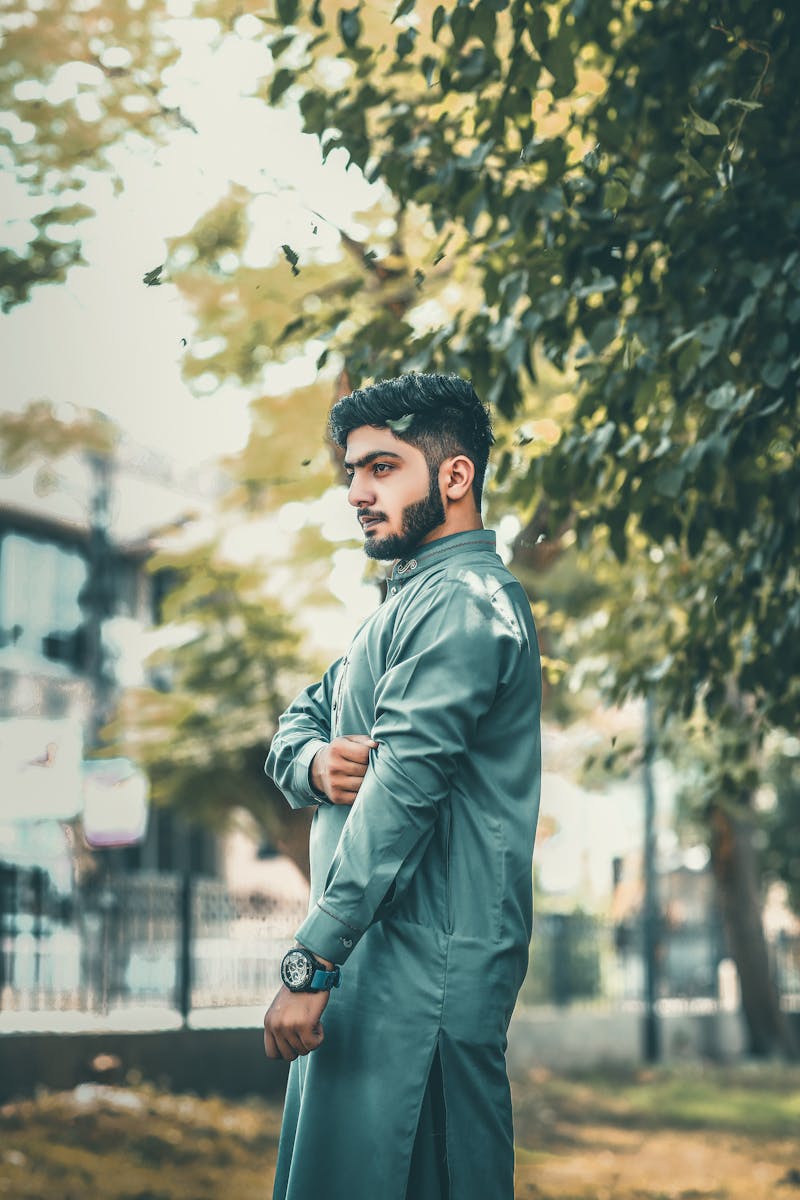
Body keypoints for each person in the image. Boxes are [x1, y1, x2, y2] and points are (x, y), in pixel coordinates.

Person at [263, 373, 542, 1200]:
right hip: (371, 970)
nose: (356, 492)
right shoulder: (405, 604)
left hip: (425, 980)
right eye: (352, 472)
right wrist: (312, 763)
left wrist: (310, 959)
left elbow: (404, 794)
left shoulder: (466, 604)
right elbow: (296, 720)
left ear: (454, 477)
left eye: (381, 467)